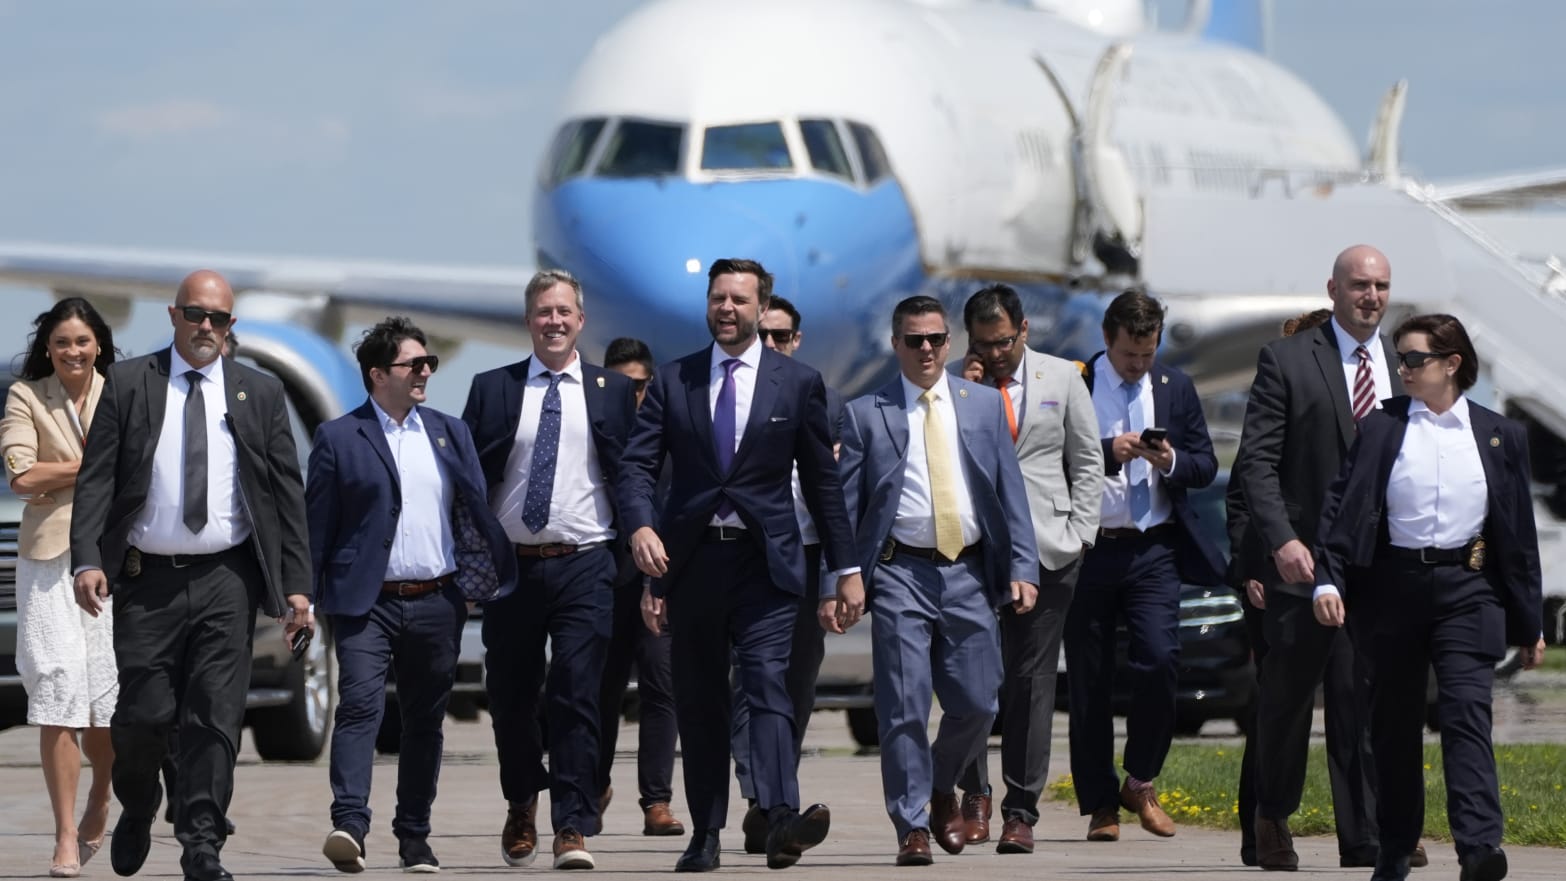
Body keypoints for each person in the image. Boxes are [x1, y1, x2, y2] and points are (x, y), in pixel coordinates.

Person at [70, 270, 313, 881]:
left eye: (221, 319)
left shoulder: (258, 393)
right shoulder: (128, 384)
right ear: (174, 315)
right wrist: (87, 558)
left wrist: (295, 586)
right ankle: (139, 802)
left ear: (232, 326)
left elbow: (286, 494)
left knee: (213, 716)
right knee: (142, 716)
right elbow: (96, 479)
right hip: (145, 579)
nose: (208, 328)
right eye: (198, 315)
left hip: (226, 579)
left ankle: (201, 843)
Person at [619, 258, 860, 872]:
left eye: (740, 300)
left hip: (769, 564)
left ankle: (781, 815)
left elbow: (825, 485)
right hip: (694, 565)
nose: (727, 308)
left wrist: (845, 568)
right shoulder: (675, 381)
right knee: (700, 702)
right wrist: (643, 527)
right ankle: (705, 832)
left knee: (769, 686)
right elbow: (637, 468)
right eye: (718, 297)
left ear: (761, 308)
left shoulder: (798, 382)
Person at [1313, 313, 1546, 881]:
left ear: (1451, 364)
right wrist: (1327, 578)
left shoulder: (1499, 434)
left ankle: (1479, 847)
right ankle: (1394, 847)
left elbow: (1517, 534)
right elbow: (1344, 507)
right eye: (1400, 359)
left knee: (1467, 713)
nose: (1403, 368)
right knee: (1393, 725)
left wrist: (1529, 620)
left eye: (1414, 359)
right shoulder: (1381, 426)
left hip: (1470, 590)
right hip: (1392, 590)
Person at [829, 294, 1038, 865]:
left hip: (969, 570)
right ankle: (912, 825)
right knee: (902, 707)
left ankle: (942, 783)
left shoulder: (982, 405)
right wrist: (842, 578)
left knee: (978, 702)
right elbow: (844, 512)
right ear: (895, 344)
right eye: (915, 340)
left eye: (936, 339)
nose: (927, 349)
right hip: (901, 572)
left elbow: (1009, 495)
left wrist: (1023, 567)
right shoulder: (866, 412)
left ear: (950, 343)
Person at [311, 317, 516, 873]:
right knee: (358, 707)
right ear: (378, 375)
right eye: (414, 364)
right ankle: (349, 823)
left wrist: (476, 582)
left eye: (429, 363)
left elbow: (473, 511)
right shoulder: (338, 438)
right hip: (364, 602)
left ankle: (414, 837)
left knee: (425, 721)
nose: (426, 371)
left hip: (437, 600)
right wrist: (302, 597)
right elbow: (318, 527)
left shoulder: (451, 432)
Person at [463, 269, 637, 869]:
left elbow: (630, 475)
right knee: (511, 696)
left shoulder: (611, 390)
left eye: (564, 311)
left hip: (586, 563)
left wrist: (642, 536)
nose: (554, 321)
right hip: (511, 569)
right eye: (544, 312)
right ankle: (521, 802)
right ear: (528, 320)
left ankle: (572, 824)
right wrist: (466, 559)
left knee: (576, 694)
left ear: (580, 321)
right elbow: (469, 483)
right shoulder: (492, 389)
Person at [1235, 245, 1391, 870]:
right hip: (1301, 567)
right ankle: (1271, 816)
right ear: (1333, 289)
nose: (1370, 296)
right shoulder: (1289, 360)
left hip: (1376, 569)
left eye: (1380, 285)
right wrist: (1280, 541)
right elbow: (1256, 464)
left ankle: (1366, 833)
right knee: (1288, 704)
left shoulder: (1404, 365)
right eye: (1359, 285)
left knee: (1362, 703)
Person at [1064, 289, 1224, 843]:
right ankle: (1100, 803)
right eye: (1130, 355)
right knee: (1089, 681)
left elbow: (1205, 464)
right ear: (1108, 341)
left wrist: (1170, 459)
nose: (1138, 366)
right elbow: (1051, 456)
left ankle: (1141, 780)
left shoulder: (1173, 387)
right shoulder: (1076, 383)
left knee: (1159, 660)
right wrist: (1113, 450)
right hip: (1089, 548)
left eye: (1148, 354)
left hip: (1153, 548)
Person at [951, 283, 1102, 853]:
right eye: (985, 344)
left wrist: (1080, 533)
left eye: (1005, 342)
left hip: (1048, 548)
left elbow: (1087, 458)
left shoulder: (1062, 377)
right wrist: (965, 393)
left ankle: (1021, 809)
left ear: (1024, 331)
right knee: (971, 683)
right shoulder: (955, 388)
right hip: (971, 554)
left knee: (1032, 684)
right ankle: (975, 793)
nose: (995, 354)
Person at [2, 298, 117, 878]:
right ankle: (66, 835)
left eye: (82, 341)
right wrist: (102, 463)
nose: (73, 351)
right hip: (48, 563)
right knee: (56, 689)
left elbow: (144, 466)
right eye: (61, 343)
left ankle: (102, 796)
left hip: (117, 558)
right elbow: (23, 476)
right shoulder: (27, 396)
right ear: (47, 347)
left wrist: (64, 469)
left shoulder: (122, 390)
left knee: (103, 697)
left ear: (99, 344)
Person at [730, 294, 846, 854]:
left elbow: (837, 500)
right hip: (745, 559)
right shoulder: (727, 398)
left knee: (795, 687)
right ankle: (768, 800)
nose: (773, 345)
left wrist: (835, 581)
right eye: (765, 335)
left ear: (796, 341)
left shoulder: (820, 398)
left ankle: (769, 800)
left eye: (782, 337)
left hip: (803, 561)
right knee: (752, 685)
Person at [594, 336, 685, 837]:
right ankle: (594, 785)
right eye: (621, 385)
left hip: (657, 578)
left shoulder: (671, 435)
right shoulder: (591, 432)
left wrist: (666, 578)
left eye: (642, 385)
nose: (633, 395)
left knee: (660, 685)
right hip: (602, 580)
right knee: (600, 690)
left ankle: (657, 801)